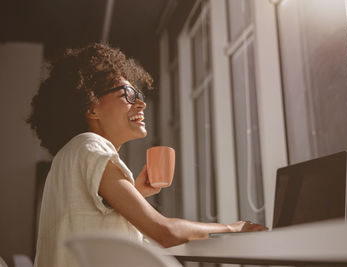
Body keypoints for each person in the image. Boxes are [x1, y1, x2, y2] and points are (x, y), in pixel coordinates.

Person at [27, 43, 267, 267]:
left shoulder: (70, 155)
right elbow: (166, 233)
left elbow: (90, 221)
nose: (141, 104)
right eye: (127, 94)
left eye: (139, 96)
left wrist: (136, 192)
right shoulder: (89, 146)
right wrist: (234, 227)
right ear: (91, 106)